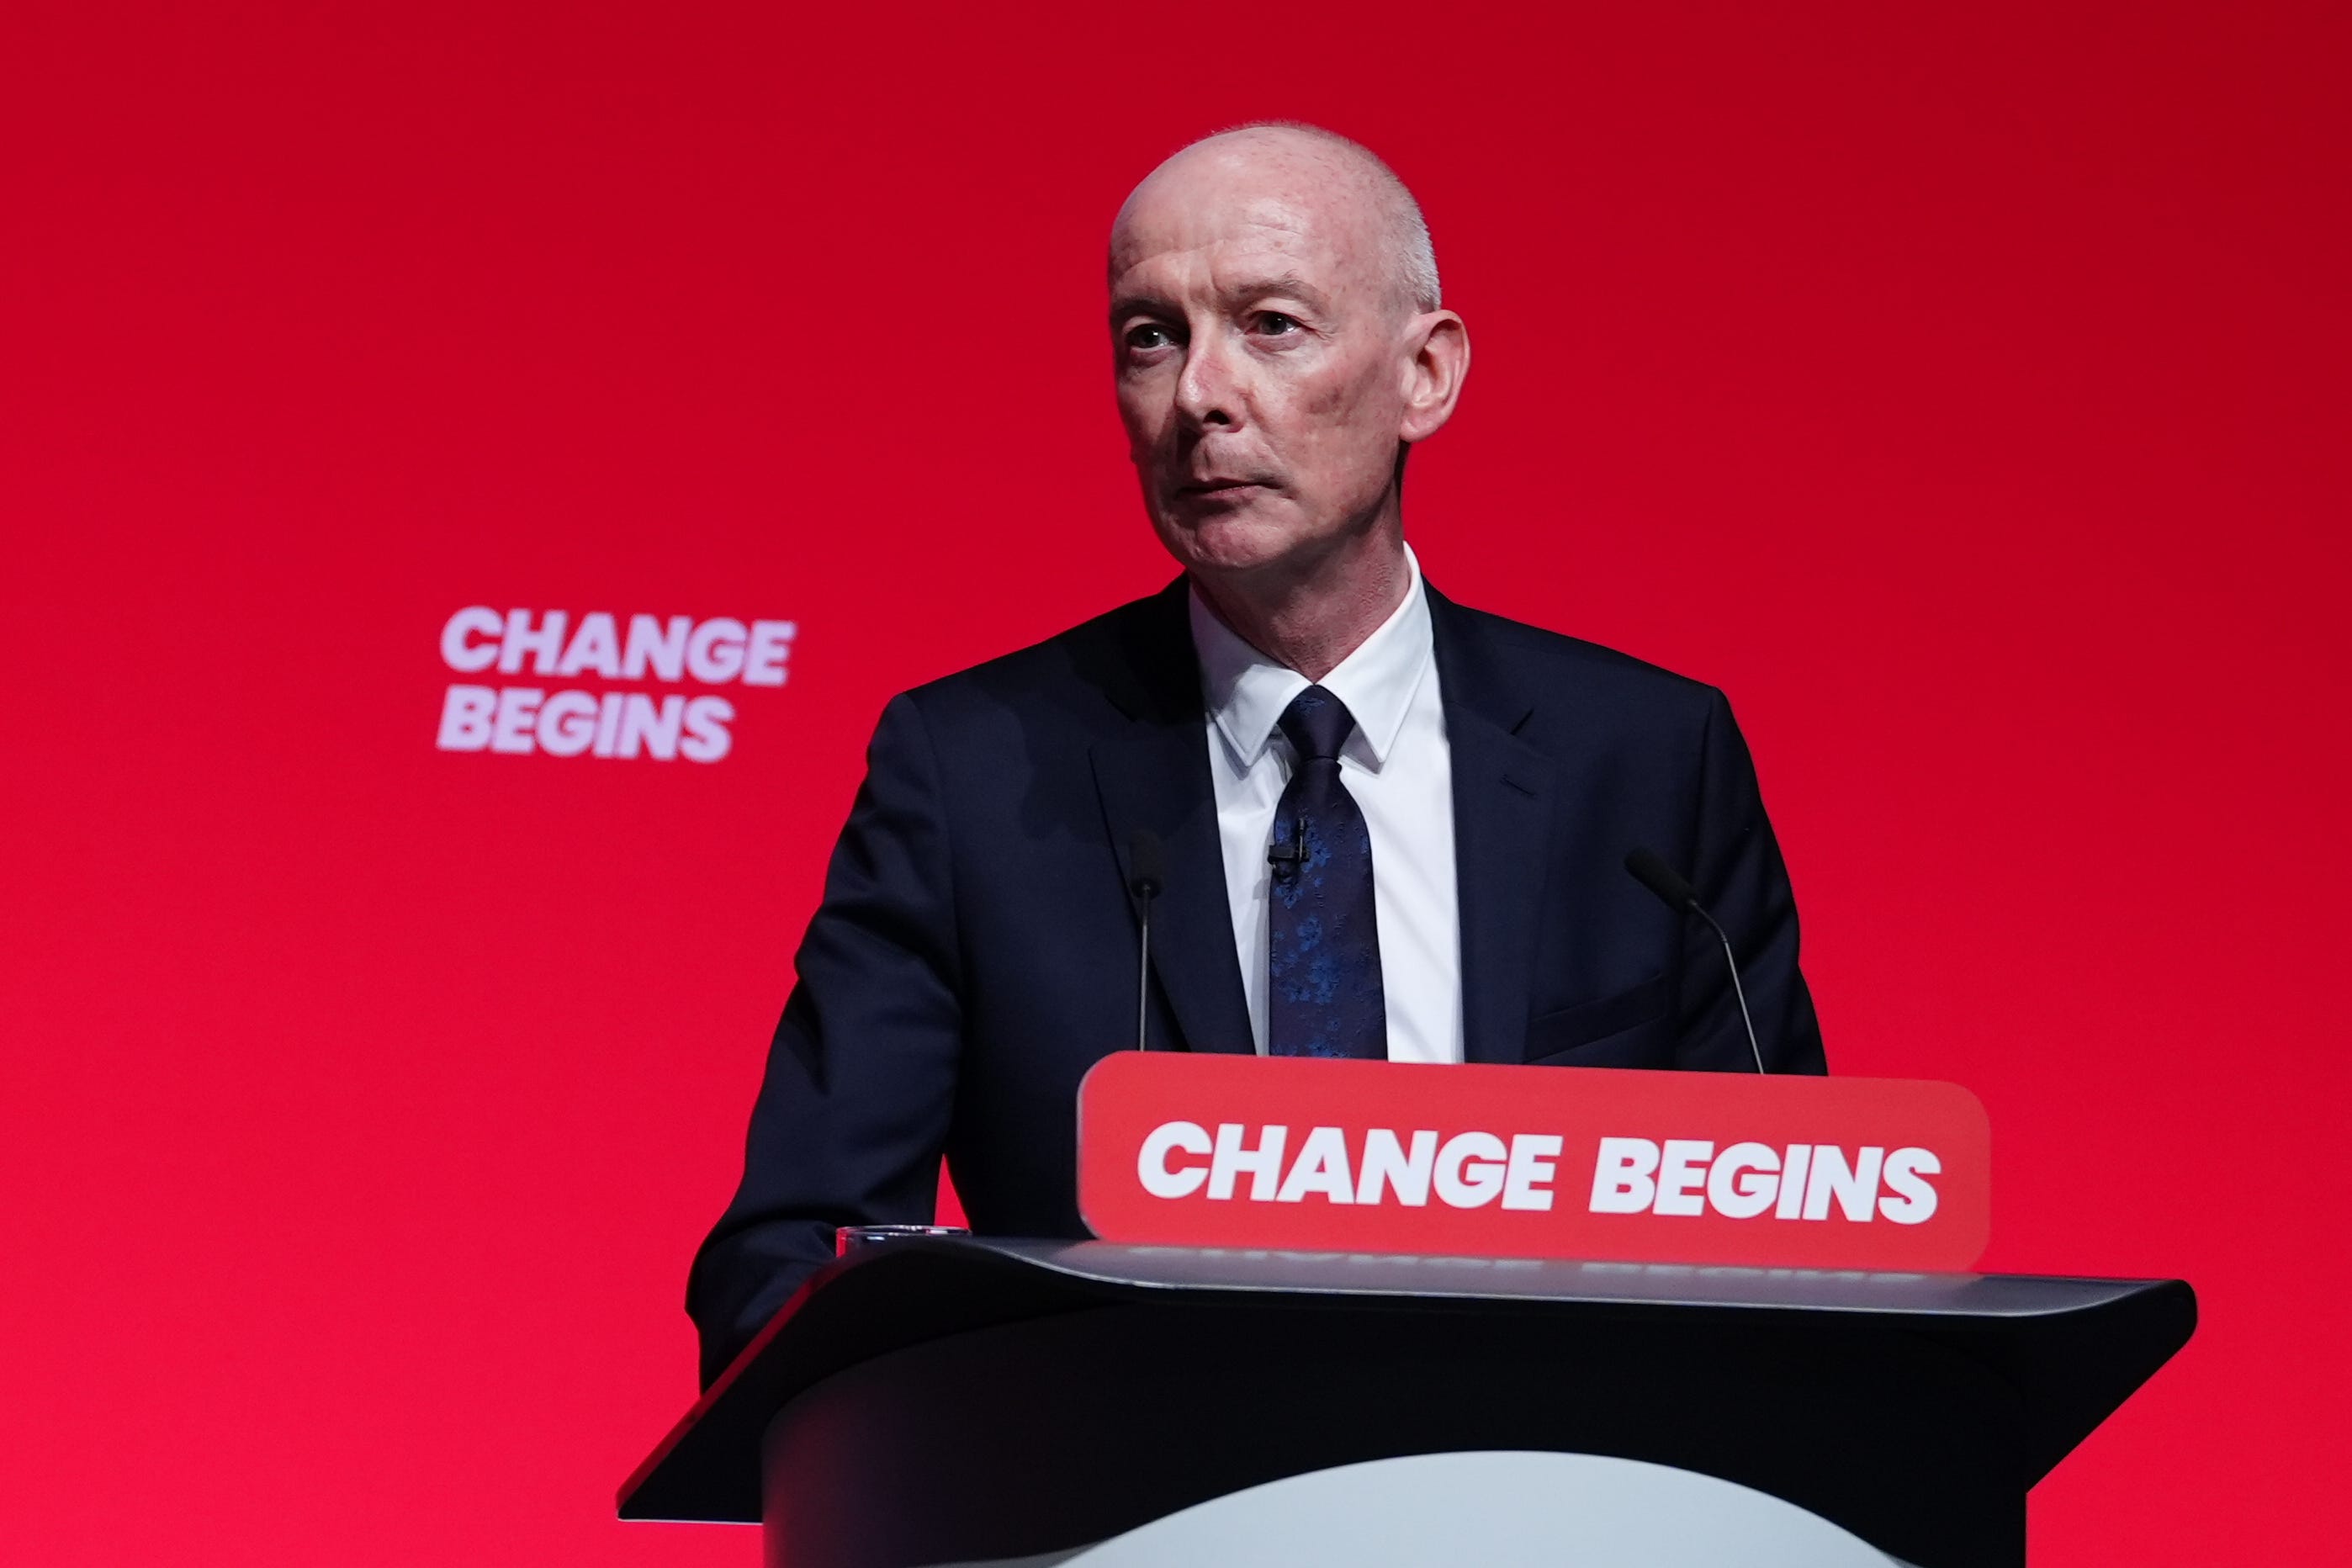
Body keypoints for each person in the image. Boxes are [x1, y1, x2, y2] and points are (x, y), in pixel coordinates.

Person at [687, 123, 1824, 1385]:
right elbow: (786, 1263)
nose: (1198, 398)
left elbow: (1793, 1243)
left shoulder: (1650, 763)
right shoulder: (972, 776)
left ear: (1426, 376)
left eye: (1271, 324)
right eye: (1150, 337)